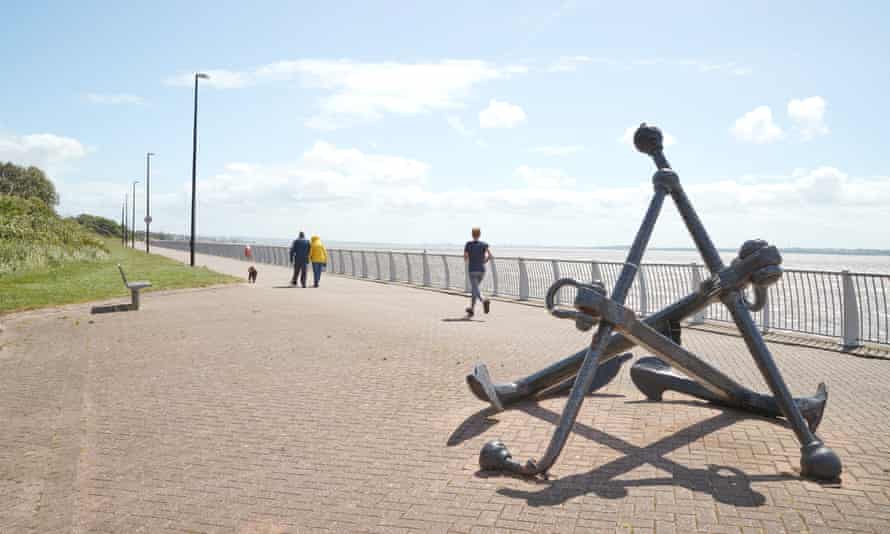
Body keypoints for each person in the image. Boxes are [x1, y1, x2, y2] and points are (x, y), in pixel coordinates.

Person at [464, 227, 492, 317]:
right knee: (475, 289)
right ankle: (471, 309)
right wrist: (484, 261)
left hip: (472, 270)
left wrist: (469, 259)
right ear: (479, 234)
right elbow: (490, 256)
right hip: (482, 270)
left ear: (472, 234)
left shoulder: (468, 244)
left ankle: (483, 300)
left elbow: (465, 257)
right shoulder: (484, 244)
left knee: (475, 289)